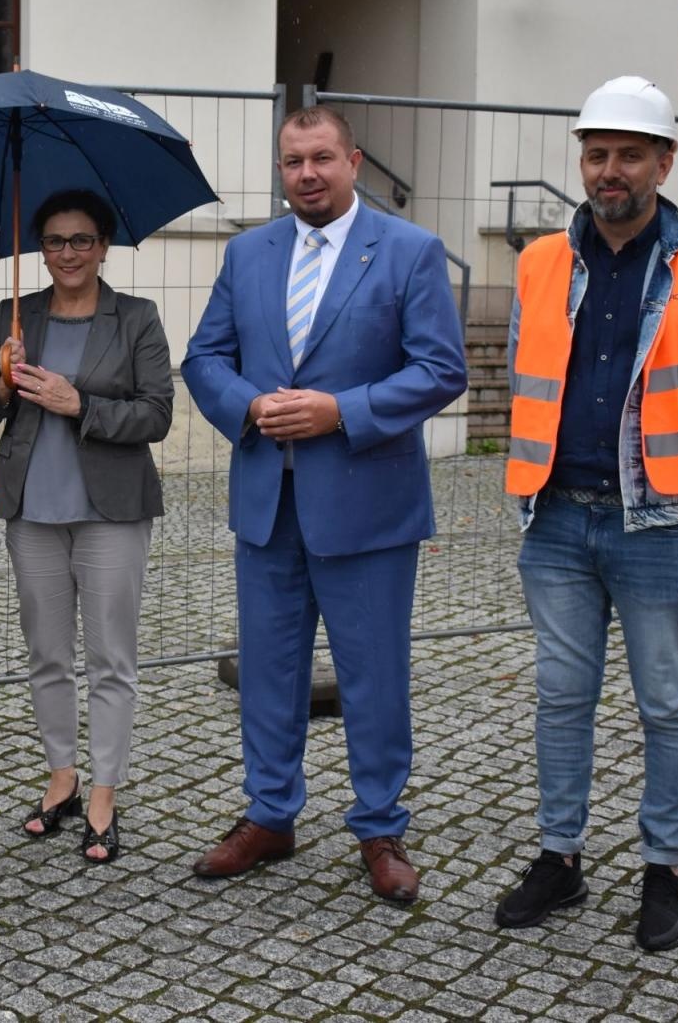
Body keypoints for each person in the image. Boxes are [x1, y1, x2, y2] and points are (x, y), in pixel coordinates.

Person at [494, 77, 678, 951]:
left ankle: (665, 869)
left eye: (626, 154)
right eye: (595, 153)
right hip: (557, 519)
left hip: (662, 526)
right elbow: (520, 368)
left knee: (666, 703)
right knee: (562, 697)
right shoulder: (541, 261)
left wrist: (677, 457)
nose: (608, 171)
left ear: (664, 161)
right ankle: (560, 858)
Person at [182, 107, 467, 899]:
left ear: (354, 161)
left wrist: (339, 411)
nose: (306, 174)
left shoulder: (409, 252)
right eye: (292, 161)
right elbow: (205, 356)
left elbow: (441, 370)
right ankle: (270, 816)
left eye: (321, 159)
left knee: (373, 675)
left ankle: (380, 827)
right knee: (270, 673)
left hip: (367, 505)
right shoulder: (248, 254)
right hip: (268, 502)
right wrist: (246, 405)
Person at [0, 189, 174, 864]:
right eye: (55, 242)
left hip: (113, 511)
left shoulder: (136, 318)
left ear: (103, 245)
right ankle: (61, 778)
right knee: (47, 655)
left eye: (81, 240)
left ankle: (105, 792)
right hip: (33, 512)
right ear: (41, 249)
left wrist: (79, 403)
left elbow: (156, 415)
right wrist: (1, 384)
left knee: (112, 659)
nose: (67, 254)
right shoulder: (14, 317)